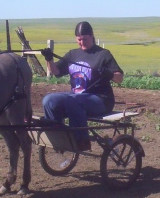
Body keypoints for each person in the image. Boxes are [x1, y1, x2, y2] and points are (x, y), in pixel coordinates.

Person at [41, 21, 124, 151]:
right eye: (79, 39)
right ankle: (58, 136)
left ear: (92, 36)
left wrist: (110, 74)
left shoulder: (103, 54)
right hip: (76, 97)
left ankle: (81, 140)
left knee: (72, 101)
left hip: (101, 99)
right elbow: (56, 71)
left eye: (85, 39)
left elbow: (120, 78)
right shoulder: (72, 54)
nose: (82, 42)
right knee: (49, 100)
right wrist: (49, 59)